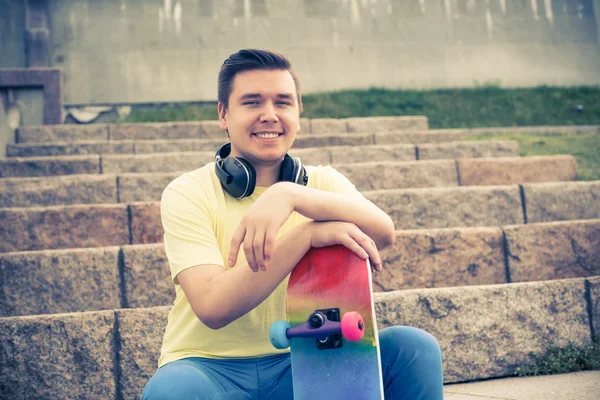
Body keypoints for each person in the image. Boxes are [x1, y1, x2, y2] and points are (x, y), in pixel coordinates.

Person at [142, 49, 443, 400]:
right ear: (224, 114)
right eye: (252, 102)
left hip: (306, 363)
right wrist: (307, 235)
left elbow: (383, 231)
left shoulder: (321, 183)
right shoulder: (188, 191)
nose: (269, 115)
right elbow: (212, 306)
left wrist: (290, 196)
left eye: (283, 102)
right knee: (173, 390)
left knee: (413, 349)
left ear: (298, 113)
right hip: (209, 371)